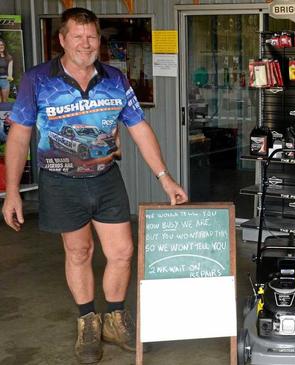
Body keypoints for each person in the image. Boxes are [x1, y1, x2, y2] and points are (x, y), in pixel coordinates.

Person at [1, 8, 188, 364]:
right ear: (62, 40)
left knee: (122, 252)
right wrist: (12, 190)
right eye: (78, 36)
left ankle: (115, 318)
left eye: (92, 37)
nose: (85, 44)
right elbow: (20, 136)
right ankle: (88, 320)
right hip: (60, 181)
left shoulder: (115, 79)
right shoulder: (37, 80)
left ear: (99, 40)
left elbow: (139, 129)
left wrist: (166, 178)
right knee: (79, 252)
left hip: (105, 179)